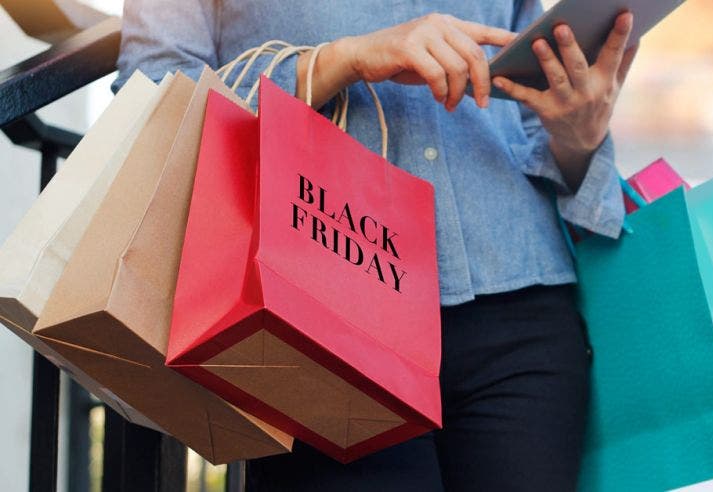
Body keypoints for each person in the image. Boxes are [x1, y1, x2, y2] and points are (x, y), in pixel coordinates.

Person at [115, 1, 637, 490]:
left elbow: (531, 125)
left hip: (521, 304)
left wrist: (579, 134)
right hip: (316, 318)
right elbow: (156, 96)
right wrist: (345, 60)